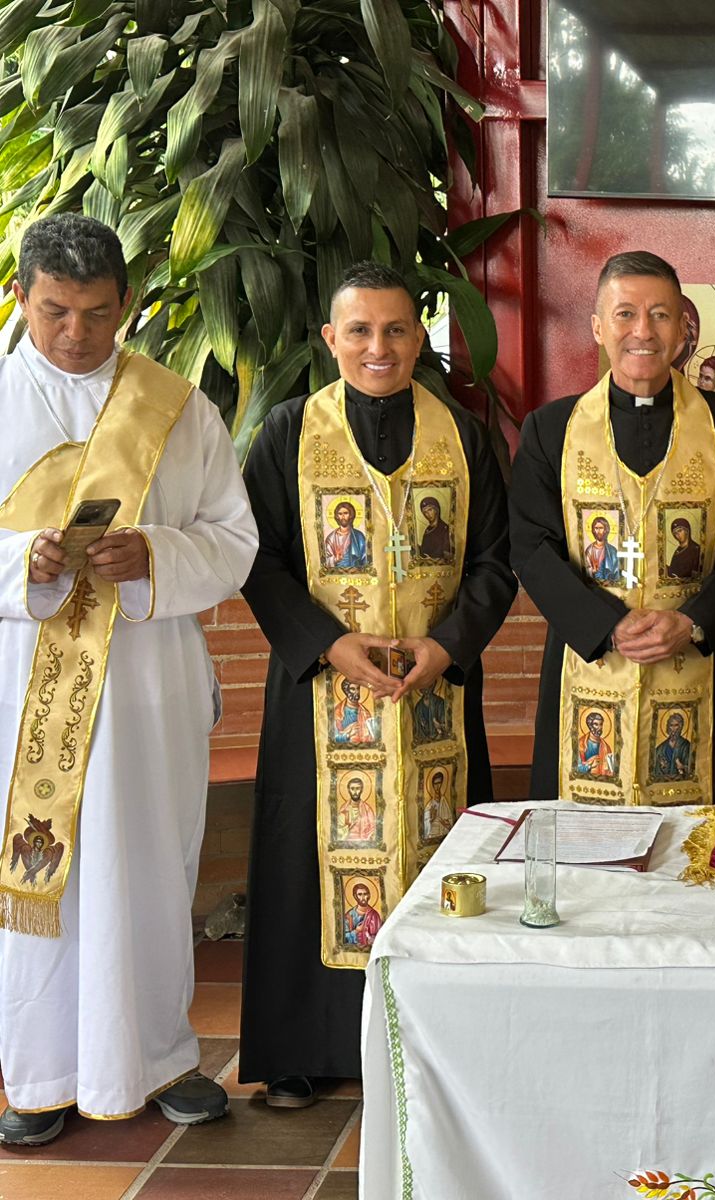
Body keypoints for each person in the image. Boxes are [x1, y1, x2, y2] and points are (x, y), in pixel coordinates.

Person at [0, 214, 257, 1143]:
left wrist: (152, 553)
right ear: (21, 295)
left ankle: (159, 1055)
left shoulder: (179, 410)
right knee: (43, 878)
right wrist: (14, 567)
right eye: (57, 311)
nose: (77, 335)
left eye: (99, 314)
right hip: (21, 684)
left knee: (150, 864)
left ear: (129, 305)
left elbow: (234, 542)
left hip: (146, 687)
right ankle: (38, 1074)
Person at [239, 260, 515, 1106]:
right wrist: (326, 643)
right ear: (331, 340)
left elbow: (495, 563)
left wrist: (448, 646)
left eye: (396, 329)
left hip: (434, 692)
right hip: (325, 696)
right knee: (311, 861)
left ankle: (446, 1039)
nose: (379, 347)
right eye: (359, 331)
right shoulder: (289, 431)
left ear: (420, 335)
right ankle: (305, 1050)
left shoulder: (463, 435)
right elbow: (258, 556)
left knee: (439, 848)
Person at [511, 251, 715, 806]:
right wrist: (606, 625)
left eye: (661, 315)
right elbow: (529, 545)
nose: (642, 331)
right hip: (589, 663)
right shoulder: (551, 429)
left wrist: (692, 620)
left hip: (697, 665)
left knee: (701, 854)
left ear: (683, 328)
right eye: (624, 314)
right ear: (598, 326)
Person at [321, 500, 369, 569]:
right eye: (340, 514)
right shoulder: (331, 538)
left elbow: (365, 559)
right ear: (337, 516)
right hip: (336, 574)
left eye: (346, 513)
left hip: (356, 573)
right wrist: (335, 559)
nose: (343, 516)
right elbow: (325, 561)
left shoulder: (359, 536)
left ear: (351, 515)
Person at [332, 677, 380, 744]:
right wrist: (349, 734)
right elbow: (333, 737)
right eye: (353, 689)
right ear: (346, 691)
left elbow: (373, 735)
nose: (356, 692)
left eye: (358, 688)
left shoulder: (365, 712)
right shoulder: (338, 711)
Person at [651, 711, 695, 781]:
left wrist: (682, 767)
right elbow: (655, 771)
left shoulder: (686, 745)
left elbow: (692, 769)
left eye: (676, 725)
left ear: (680, 727)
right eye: (671, 725)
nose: (673, 729)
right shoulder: (660, 748)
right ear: (668, 727)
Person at [416, 494, 455, 563]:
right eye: (425, 512)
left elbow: (447, 553)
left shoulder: (445, 529)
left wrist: (433, 558)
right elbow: (425, 549)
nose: (427, 514)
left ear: (436, 510)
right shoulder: (428, 529)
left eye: (430, 510)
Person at [337, 776, 377, 843]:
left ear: (361, 790)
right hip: (346, 843)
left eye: (358, 788)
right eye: (352, 789)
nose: (355, 792)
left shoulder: (367, 809)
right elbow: (338, 829)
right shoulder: (344, 808)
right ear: (348, 790)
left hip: (364, 843)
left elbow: (373, 828)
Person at [342, 883, 383, 948]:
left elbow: (380, 935)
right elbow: (343, 938)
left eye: (365, 894)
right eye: (360, 894)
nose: (363, 897)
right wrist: (356, 931)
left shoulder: (374, 915)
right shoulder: (349, 915)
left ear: (369, 895)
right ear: (355, 896)